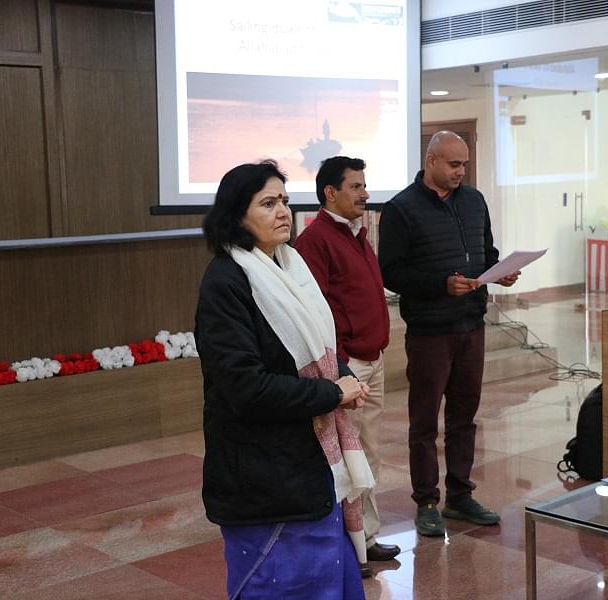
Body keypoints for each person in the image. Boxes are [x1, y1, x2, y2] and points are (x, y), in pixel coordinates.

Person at [196, 159, 374, 598]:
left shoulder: (291, 266)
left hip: (309, 466)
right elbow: (246, 388)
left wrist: (345, 380)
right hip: (263, 476)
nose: (282, 212)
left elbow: (317, 346)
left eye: (285, 201)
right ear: (237, 214)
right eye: (267, 203)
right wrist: (331, 393)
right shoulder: (226, 281)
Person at [378, 131, 519, 537]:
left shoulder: (473, 201)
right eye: (454, 164)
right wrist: (441, 285)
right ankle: (426, 501)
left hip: (471, 324)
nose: (461, 172)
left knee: (464, 417)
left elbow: (486, 252)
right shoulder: (401, 209)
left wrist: (499, 271)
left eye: (465, 165)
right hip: (430, 331)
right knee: (424, 421)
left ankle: (460, 495)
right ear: (431, 161)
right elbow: (391, 273)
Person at [294, 156, 400, 575]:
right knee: (345, 462)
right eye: (356, 186)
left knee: (368, 454)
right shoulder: (315, 241)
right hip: (347, 365)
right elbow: (315, 312)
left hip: (373, 358)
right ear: (330, 193)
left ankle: (366, 538)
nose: (365, 194)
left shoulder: (358, 232)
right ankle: (346, 548)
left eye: (364, 185)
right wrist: (340, 368)